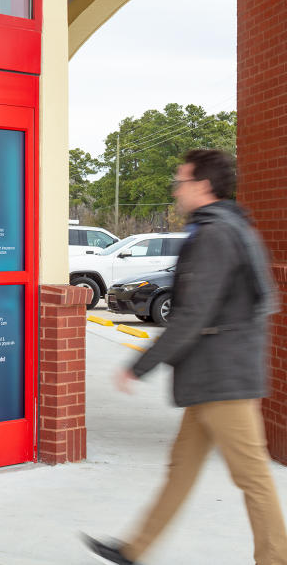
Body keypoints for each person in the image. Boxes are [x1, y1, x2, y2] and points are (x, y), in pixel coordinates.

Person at [82, 149, 287, 565]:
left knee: (252, 477)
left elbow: (193, 314)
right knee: (182, 468)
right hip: (211, 375)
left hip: (222, 380)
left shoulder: (214, 234)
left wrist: (140, 366)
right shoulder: (227, 226)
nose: (176, 190)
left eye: (181, 181)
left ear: (202, 186)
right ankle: (134, 549)